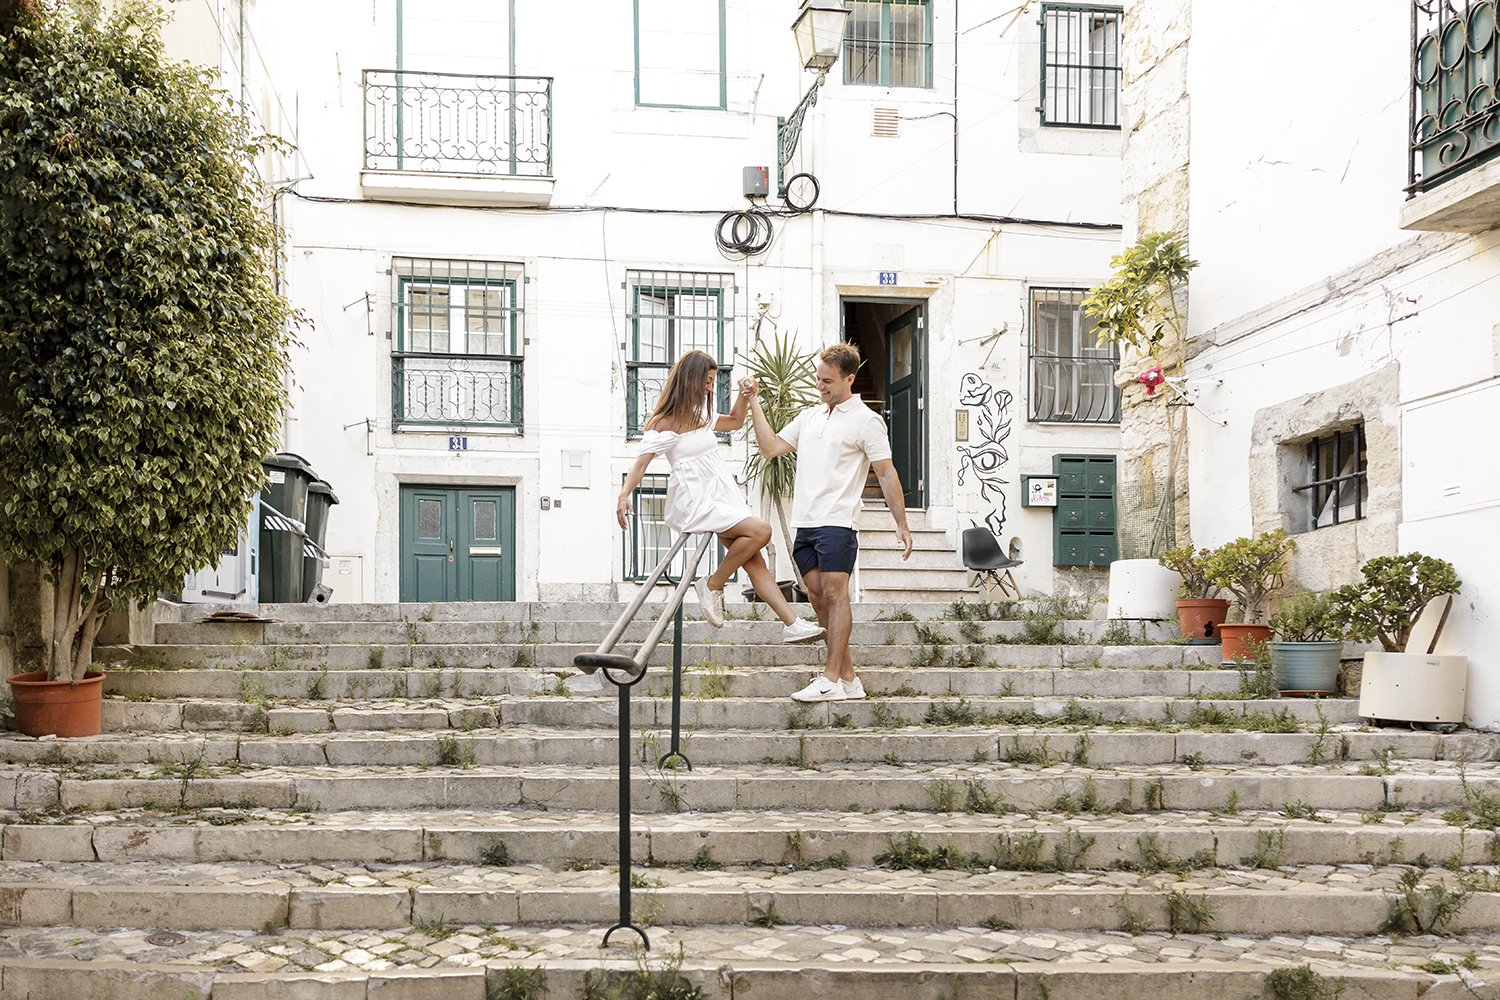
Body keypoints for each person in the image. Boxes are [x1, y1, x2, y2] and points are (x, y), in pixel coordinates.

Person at [616, 349, 825, 644]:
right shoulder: (664, 423)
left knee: (754, 560)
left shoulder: (703, 415)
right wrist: (625, 494)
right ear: (692, 380)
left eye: (713, 382)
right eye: (708, 381)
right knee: (761, 531)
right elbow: (641, 463)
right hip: (698, 496)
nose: (711, 388)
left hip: (721, 491)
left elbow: (737, 421)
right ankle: (712, 584)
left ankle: (791, 623)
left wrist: (745, 394)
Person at [746, 342, 912, 702]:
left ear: (850, 379)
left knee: (836, 596)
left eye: (828, 381)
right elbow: (771, 448)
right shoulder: (809, 416)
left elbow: (885, 473)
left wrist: (901, 524)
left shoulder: (867, 421)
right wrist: (755, 402)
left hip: (838, 522)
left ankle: (831, 679)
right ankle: (850, 679)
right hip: (805, 522)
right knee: (819, 599)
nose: (820, 386)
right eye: (818, 379)